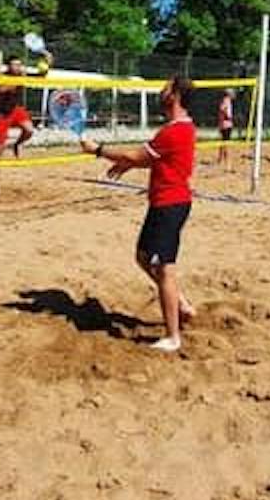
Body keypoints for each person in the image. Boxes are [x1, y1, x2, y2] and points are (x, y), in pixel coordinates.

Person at [82, 76, 199, 353]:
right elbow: (150, 159)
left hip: (170, 206)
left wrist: (98, 151)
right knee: (143, 257)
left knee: (164, 268)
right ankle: (181, 304)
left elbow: (137, 156)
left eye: (167, 88)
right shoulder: (176, 129)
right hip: (164, 203)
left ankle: (172, 337)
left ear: (177, 96)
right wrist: (128, 165)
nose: (162, 91)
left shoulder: (175, 131)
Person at [0, 50, 50, 197]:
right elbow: (2, 88)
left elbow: (41, 77)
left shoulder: (21, 75)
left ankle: (17, 144)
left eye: (19, 64)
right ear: (8, 66)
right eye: (14, 65)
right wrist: (19, 80)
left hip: (16, 110)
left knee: (29, 130)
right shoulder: (2, 77)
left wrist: (48, 62)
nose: (17, 67)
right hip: (1, 115)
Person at [215, 87, 236, 166]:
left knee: (223, 142)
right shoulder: (226, 101)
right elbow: (222, 109)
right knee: (226, 143)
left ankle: (220, 160)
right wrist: (228, 116)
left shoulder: (227, 101)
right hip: (226, 124)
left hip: (225, 124)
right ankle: (227, 162)